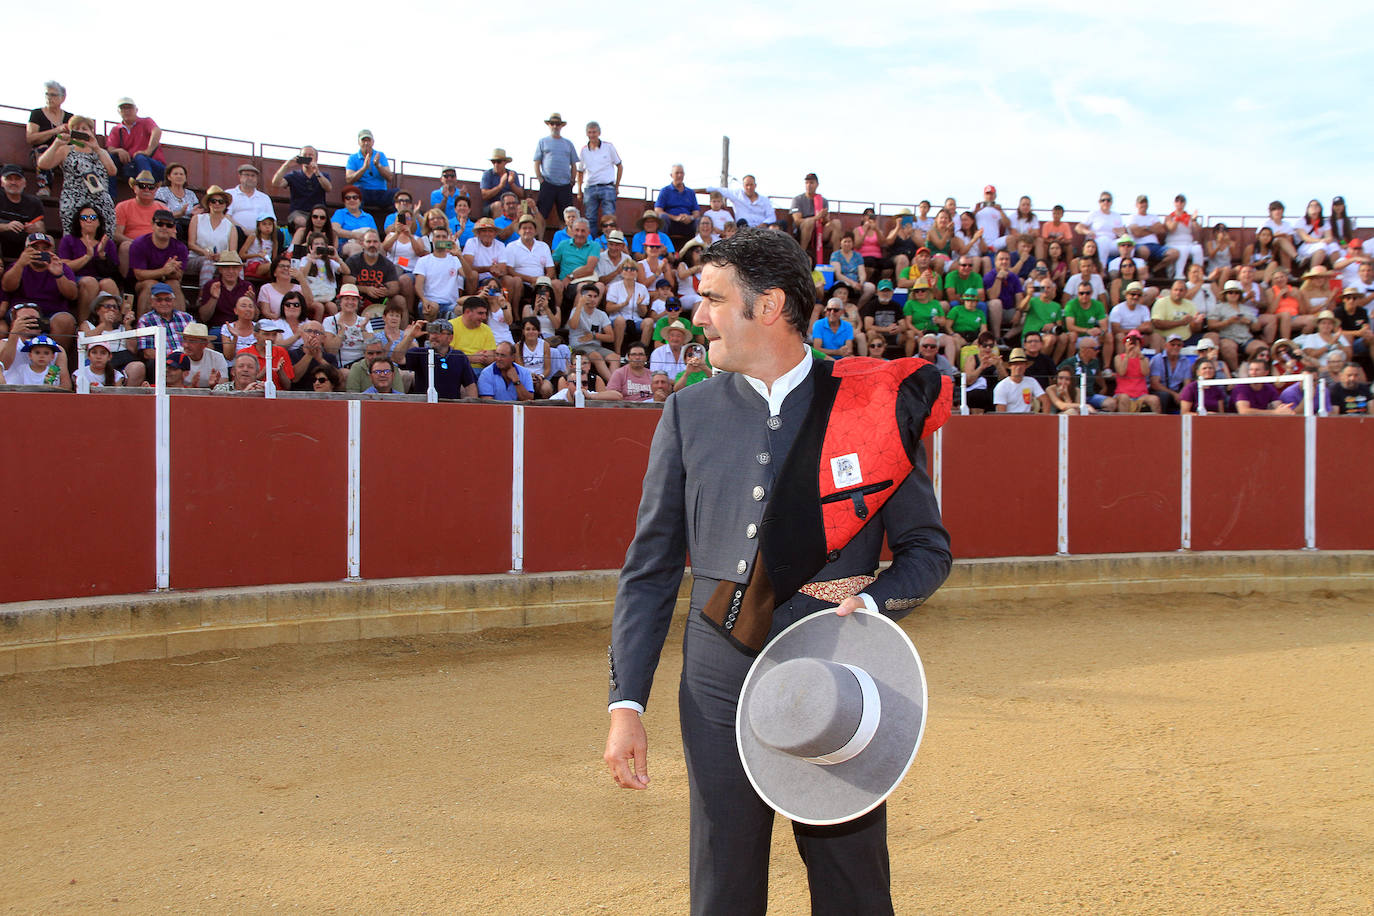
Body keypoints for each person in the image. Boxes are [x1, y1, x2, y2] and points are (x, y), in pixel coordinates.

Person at [603, 227, 950, 916]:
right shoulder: (688, 411)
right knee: (723, 876)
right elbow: (649, 570)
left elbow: (927, 552)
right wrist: (626, 705)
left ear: (769, 308)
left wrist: (873, 607)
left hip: (836, 666)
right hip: (716, 675)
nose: (697, 316)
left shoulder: (870, 409)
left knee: (850, 872)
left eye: (712, 299)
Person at [35, 116, 117, 242]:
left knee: (103, 239)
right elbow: (43, 164)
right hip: (74, 200)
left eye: (85, 129)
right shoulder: (66, 150)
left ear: (91, 132)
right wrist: (57, 143)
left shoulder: (101, 152)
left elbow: (112, 171)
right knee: (73, 238)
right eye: (76, 129)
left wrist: (96, 148)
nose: (81, 131)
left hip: (101, 201)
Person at [3, 233, 78, 351]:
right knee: (28, 315)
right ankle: (23, 359)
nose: (40, 252)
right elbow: (7, 287)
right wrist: (20, 264)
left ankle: (55, 364)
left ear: (51, 251)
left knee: (65, 320)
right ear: (26, 250)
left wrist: (59, 275)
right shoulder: (17, 266)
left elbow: (72, 294)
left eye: (45, 249)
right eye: (35, 248)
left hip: (53, 313)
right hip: (22, 310)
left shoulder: (61, 267)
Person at [58, 206, 121, 322]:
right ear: (79, 221)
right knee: (90, 282)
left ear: (98, 222)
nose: (89, 220)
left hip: (101, 278)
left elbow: (113, 271)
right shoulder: (68, 240)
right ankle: (84, 326)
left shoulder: (107, 243)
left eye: (93, 217)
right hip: (76, 279)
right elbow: (64, 267)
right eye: (84, 217)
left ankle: (115, 326)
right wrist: (87, 257)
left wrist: (102, 255)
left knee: (109, 283)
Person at [128, 209, 190, 315]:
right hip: (140, 283)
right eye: (160, 224)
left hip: (168, 280)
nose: (164, 228)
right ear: (152, 224)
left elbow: (179, 276)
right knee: (151, 284)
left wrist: (173, 270)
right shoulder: (139, 244)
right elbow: (139, 275)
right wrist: (164, 271)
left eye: (169, 225)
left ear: (174, 228)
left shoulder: (180, 248)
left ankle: (182, 327)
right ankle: (144, 329)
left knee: (174, 284)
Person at [401, 319, 478, 399]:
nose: (434, 336)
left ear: (450, 338)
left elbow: (470, 386)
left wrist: (474, 409)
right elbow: (398, 359)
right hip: (424, 406)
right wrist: (411, 336)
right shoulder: (420, 354)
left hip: (451, 407)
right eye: (432, 332)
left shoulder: (459, 357)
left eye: (439, 333)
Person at [106, 98, 165, 191]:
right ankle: (110, 195)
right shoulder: (117, 129)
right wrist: (119, 150)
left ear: (136, 110)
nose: (126, 111)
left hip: (154, 167)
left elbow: (157, 131)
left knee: (140, 158)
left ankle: (146, 190)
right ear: (119, 111)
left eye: (129, 108)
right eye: (123, 108)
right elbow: (110, 147)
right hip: (132, 166)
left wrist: (148, 151)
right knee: (110, 158)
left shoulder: (146, 122)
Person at [271, 146, 332, 231]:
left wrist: (317, 172)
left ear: (316, 158)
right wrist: (286, 165)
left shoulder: (323, 176)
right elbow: (276, 183)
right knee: (301, 221)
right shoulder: (293, 175)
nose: (307, 157)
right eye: (304, 155)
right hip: (298, 213)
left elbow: (328, 188)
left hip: (318, 213)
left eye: (310, 155)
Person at [26, 81, 70, 197]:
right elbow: (30, 138)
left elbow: (78, 141)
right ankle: (44, 187)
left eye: (53, 95)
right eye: (47, 94)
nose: (49, 98)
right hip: (43, 152)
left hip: (63, 152)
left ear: (63, 98)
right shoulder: (37, 114)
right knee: (43, 150)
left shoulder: (70, 117)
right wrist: (55, 131)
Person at [1111, 331, 1162, 413]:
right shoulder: (1119, 358)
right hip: (1123, 393)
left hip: (1141, 395)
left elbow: (1145, 373)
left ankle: (1157, 424)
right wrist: (1127, 354)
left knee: (1155, 400)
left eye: (1136, 340)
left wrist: (1139, 354)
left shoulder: (1144, 359)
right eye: (1129, 340)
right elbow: (1121, 372)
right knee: (1124, 398)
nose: (1133, 342)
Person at [345, 130, 394, 211]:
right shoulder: (353, 158)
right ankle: (358, 219)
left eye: (368, 140)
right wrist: (364, 168)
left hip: (380, 193)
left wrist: (378, 165)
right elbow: (348, 179)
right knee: (356, 191)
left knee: (400, 195)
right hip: (363, 193)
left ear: (373, 142)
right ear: (359, 142)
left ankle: (401, 222)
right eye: (363, 140)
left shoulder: (380, 155)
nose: (366, 143)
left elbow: (389, 177)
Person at [655, 164, 700, 246]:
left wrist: (690, 217)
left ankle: (699, 249)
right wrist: (675, 218)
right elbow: (658, 210)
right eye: (677, 173)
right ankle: (660, 246)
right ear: (671, 175)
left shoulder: (690, 192)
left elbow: (696, 212)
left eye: (682, 173)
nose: (680, 175)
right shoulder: (665, 191)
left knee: (700, 221)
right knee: (662, 217)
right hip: (671, 224)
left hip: (687, 224)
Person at [225, 164, 275, 237]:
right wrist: (243, 230)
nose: (250, 178)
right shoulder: (230, 194)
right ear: (240, 177)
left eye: (253, 176)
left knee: (278, 234)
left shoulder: (264, 198)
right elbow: (227, 216)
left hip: (260, 235)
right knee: (236, 231)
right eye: (247, 175)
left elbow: (273, 220)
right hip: (236, 233)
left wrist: (258, 232)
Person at [992, 347, 1048, 413]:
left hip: (1028, 419)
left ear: (1025, 366)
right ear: (1010, 366)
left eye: (1021, 364)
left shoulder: (1031, 381)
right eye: (1015, 364)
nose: (1018, 367)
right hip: (1010, 420)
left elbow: (1045, 400)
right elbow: (1001, 412)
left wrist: (1045, 419)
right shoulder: (1002, 386)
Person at [1148, 334, 1193, 413]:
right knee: (1165, 396)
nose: (1175, 347)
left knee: (1190, 395)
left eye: (1178, 345)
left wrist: (1182, 394)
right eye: (1172, 345)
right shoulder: (1158, 359)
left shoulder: (1185, 361)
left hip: (1178, 391)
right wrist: (1174, 394)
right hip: (1162, 391)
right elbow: (1155, 384)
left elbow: (1187, 383)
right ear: (1166, 345)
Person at [182, 322, 227, 389]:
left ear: (205, 344)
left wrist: (213, 386)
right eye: (184, 340)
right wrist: (192, 387)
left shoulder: (217, 357)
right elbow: (170, 386)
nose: (186, 345)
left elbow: (224, 387)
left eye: (192, 341)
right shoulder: (176, 356)